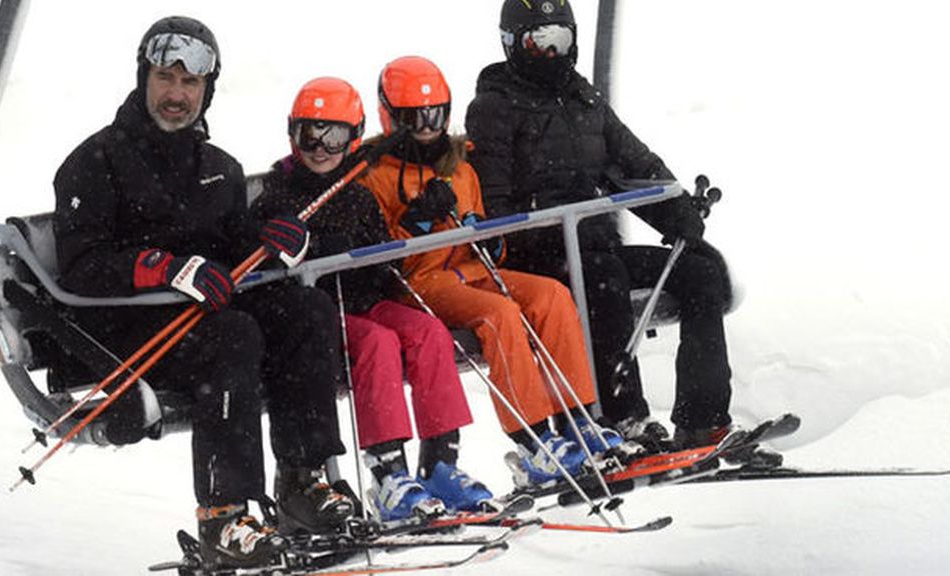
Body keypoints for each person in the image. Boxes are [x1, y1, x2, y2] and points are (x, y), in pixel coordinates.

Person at [52, 16, 354, 569]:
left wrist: (277, 235)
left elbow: (236, 244)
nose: (177, 95)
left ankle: (302, 481)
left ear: (207, 89)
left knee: (305, 309)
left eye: (190, 84)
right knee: (234, 333)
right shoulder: (96, 162)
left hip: (203, 319)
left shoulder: (218, 168)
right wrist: (162, 268)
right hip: (131, 330)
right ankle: (223, 515)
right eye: (166, 78)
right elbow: (79, 267)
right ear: (144, 78)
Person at [465, 0, 735, 451]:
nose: (552, 54)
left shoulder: (583, 98)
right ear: (513, 44)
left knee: (700, 268)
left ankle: (702, 419)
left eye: (561, 40)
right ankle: (621, 416)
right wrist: (540, 230)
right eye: (539, 42)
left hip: (594, 244)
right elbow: (492, 201)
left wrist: (675, 211)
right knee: (603, 278)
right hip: (539, 257)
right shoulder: (494, 108)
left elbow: (634, 163)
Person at [358, 55, 636, 490]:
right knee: (499, 314)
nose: (428, 126)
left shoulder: (460, 166)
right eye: (414, 117)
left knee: (550, 296)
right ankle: (533, 437)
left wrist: (492, 241)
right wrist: (418, 220)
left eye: (435, 114)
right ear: (391, 118)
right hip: (424, 282)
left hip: (472, 269)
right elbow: (378, 250)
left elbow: (487, 225)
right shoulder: (375, 175)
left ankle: (578, 418)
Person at [251, 76, 494, 522]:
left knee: (428, 331)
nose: (321, 147)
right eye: (310, 133)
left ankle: (441, 461)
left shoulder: (357, 193)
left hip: (366, 299)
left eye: (335, 135)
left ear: (355, 137)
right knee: (379, 343)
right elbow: (267, 268)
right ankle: (388, 473)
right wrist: (311, 250)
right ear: (292, 132)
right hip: (323, 315)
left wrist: (383, 248)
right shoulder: (278, 195)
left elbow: (387, 263)